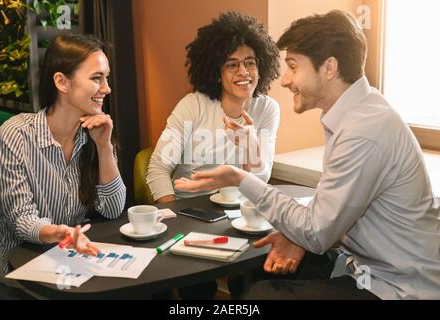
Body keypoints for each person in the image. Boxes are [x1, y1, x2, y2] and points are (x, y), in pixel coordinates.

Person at [174, 10, 440, 300]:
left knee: (262, 296)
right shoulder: (358, 112)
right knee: (263, 270)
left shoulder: (363, 131)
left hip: (397, 286)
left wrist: (240, 178)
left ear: (329, 68)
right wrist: (295, 235)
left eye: (293, 66)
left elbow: (316, 231)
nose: (285, 80)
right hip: (367, 266)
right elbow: (333, 210)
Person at [0, 34, 126, 289]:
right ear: (62, 82)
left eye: (106, 78)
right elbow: (20, 219)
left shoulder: (95, 131)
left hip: (68, 251)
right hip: (15, 252)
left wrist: (104, 146)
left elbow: (113, 209)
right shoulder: (16, 133)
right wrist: (59, 232)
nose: (107, 88)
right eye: (97, 78)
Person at [146, 11, 281, 204]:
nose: (243, 72)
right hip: (190, 209)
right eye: (232, 65)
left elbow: (260, 182)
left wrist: (253, 148)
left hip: (240, 211)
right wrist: (173, 216)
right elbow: (158, 168)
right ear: (217, 73)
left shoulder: (268, 109)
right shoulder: (194, 105)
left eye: (250, 63)